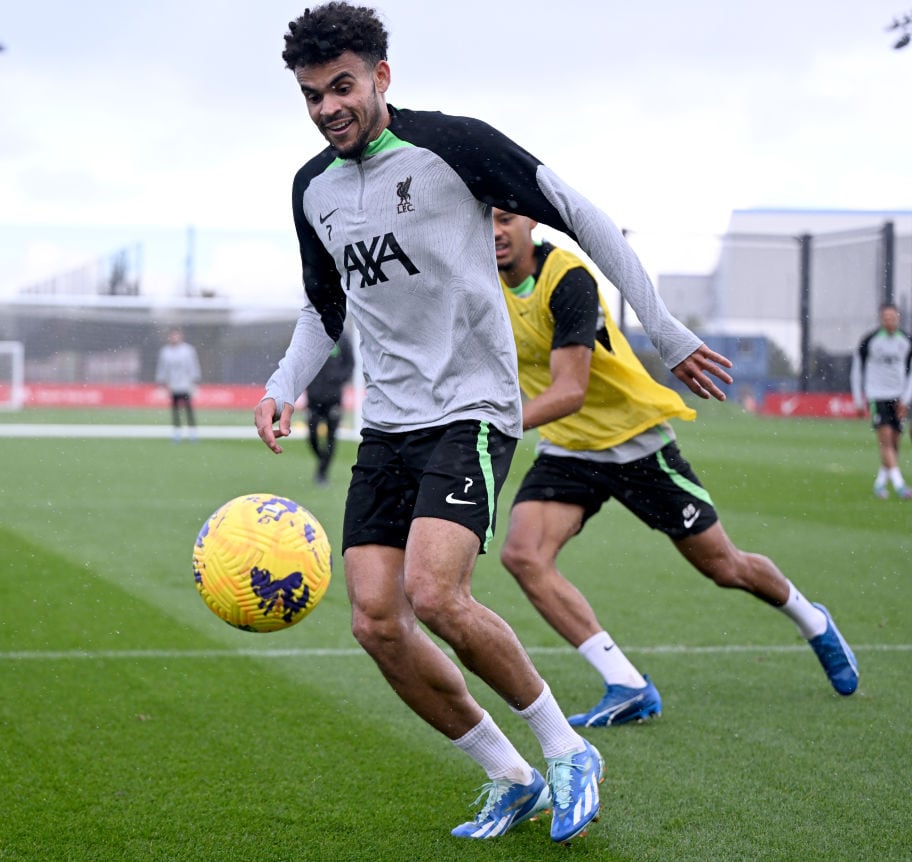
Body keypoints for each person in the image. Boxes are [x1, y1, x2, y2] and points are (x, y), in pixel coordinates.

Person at [254, 2, 731, 844]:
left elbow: (577, 211)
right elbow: (324, 306)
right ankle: (509, 776)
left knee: (436, 593)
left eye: (342, 86)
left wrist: (663, 328)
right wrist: (283, 383)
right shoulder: (312, 189)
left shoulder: (454, 146)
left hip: (471, 408)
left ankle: (568, 750)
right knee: (375, 620)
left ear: (381, 77)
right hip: (388, 427)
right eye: (312, 95)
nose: (328, 107)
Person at [491, 208, 860, 729]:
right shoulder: (481, 284)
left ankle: (811, 619)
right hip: (569, 447)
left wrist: (492, 425)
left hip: (636, 440)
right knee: (523, 556)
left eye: (506, 218)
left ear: (531, 221)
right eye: (486, 221)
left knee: (724, 567)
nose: (495, 231)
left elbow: (570, 390)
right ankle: (627, 685)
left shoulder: (566, 278)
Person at [850, 302, 912, 499]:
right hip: (877, 396)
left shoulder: (906, 341)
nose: (889, 322)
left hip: (899, 397)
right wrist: (858, 399)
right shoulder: (869, 341)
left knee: (894, 443)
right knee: (885, 440)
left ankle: (880, 484)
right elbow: (857, 371)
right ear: (880, 319)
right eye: (886, 318)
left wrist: (905, 399)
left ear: (898, 319)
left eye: (893, 318)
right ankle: (900, 486)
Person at [305, 331, 354, 485]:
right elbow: (302, 362)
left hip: (333, 398)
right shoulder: (312, 336)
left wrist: (337, 379)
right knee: (312, 435)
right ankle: (322, 459)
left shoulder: (342, 339)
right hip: (314, 398)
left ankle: (322, 473)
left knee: (331, 436)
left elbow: (350, 364)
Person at [156, 327, 200, 442]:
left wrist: (194, 380)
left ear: (181, 336)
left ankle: (192, 432)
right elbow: (162, 368)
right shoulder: (165, 352)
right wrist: (161, 381)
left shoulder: (188, 350)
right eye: (172, 336)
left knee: (188, 409)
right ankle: (177, 432)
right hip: (173, 385)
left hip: (186, 384)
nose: (174, 338)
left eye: (176, 335)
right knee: (175, 410)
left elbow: (193, 366)